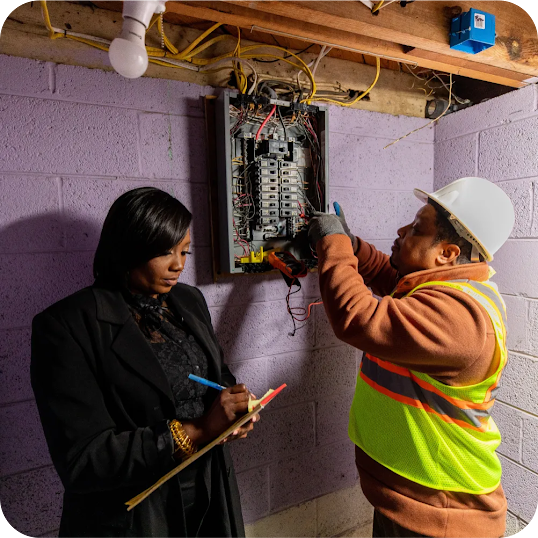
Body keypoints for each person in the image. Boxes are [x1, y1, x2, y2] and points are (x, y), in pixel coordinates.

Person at [31, 187, 258, 538]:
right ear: (128, 250)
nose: (178, 265)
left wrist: (235, 406)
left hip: (210, 492)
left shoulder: (187, 300)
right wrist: (197, 430)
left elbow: (213, 372)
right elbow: (84, 460)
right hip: (135, 515)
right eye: (164, 252)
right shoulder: (67, 326)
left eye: (185, 251)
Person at [308, 177, 515, 538]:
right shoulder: (448, 290)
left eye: (417, 228)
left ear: (447, 254)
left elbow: (357, 318)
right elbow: (393, 283)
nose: (402, 230)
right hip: (408, 499)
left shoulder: (460, 320)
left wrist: (335, 244)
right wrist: (354, 247)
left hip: (443, 516)